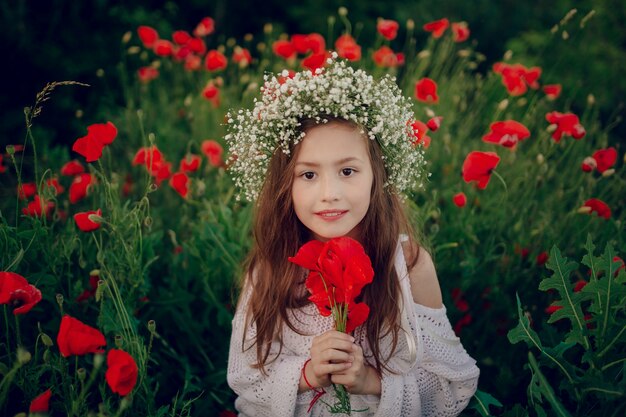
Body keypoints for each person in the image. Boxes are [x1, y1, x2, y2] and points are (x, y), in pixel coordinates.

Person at [225, 54, 479, 416]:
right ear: (285, 186)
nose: (329, 192)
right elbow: (245, 382)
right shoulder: (269, 272)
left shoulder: (408, 267)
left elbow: (451, 386)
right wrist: (308, 374)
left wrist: (370, 381)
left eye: (347, 170)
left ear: (378, 174)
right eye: (308, 175)